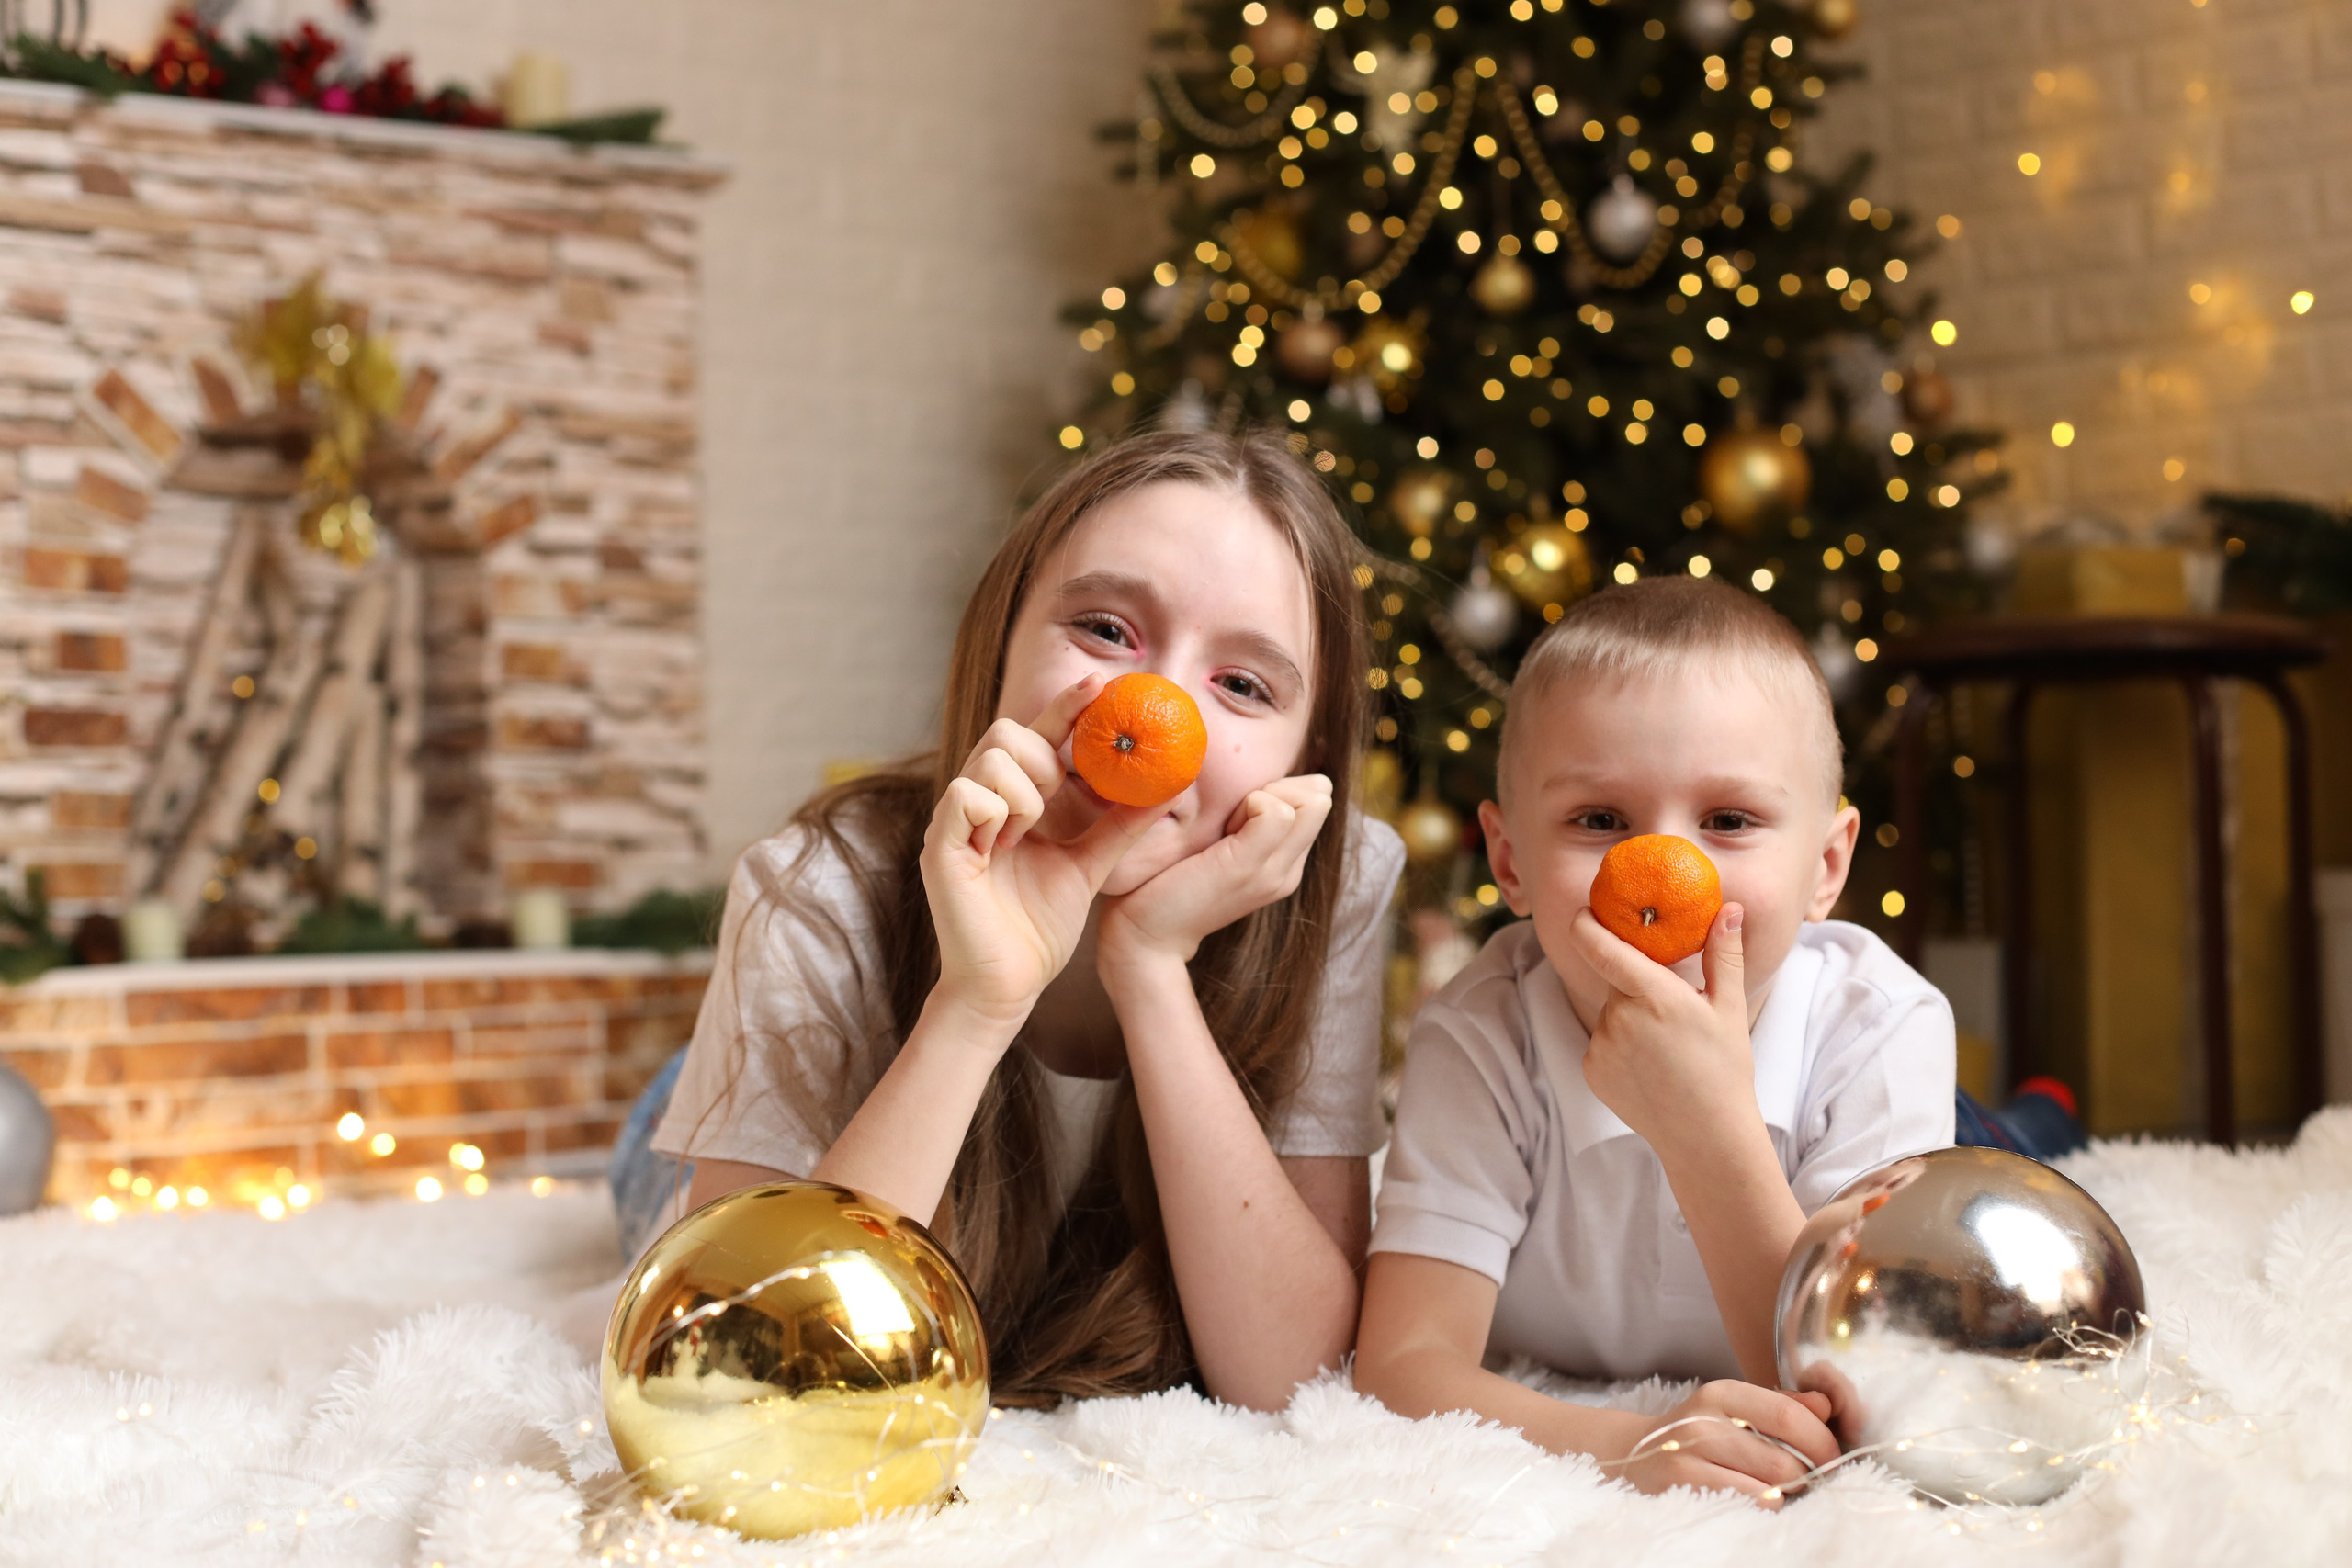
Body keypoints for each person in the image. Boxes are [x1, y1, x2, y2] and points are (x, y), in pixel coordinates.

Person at [611, 429, 1406, 1413]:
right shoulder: (816, 883)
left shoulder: (1341, 872)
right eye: (1107, 629)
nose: (1152, 706)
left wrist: (1151, 968)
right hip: (749, 1125)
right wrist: (979, 1001)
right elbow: (751, 1365)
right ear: (1000, 639)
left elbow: (1295, 1379)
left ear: (1303, 755)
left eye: (1242, 686)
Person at [1352, 576, 2078, 1507]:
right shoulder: (1477, 1030)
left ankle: (2039, 1117)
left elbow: (1872, 1396)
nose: (1664, 873)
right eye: (1598, 821)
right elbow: (1402, 1363)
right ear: (1508, 862)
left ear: (1825, 867)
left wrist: (1703, 1126)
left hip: (1956, 1154)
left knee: (2019, 1174)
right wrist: (1622, 1442)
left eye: (1728, 821)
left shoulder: (1882, 1022)